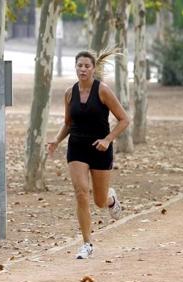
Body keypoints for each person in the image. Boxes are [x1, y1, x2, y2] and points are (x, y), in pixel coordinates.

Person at [47, 50, 129, 259]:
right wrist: (57, 140)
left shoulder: (103, 91)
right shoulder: (69, 93)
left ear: (93, 69)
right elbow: (68, 123)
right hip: (77, 147)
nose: (82, 69)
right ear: (75, 67)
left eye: (86, 66)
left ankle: (110, 199)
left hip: (100, 149)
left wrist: (108, 140)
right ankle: (87, 243)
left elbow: (124, 119)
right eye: (79, 66)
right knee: (81, 193)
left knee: (99, 201)